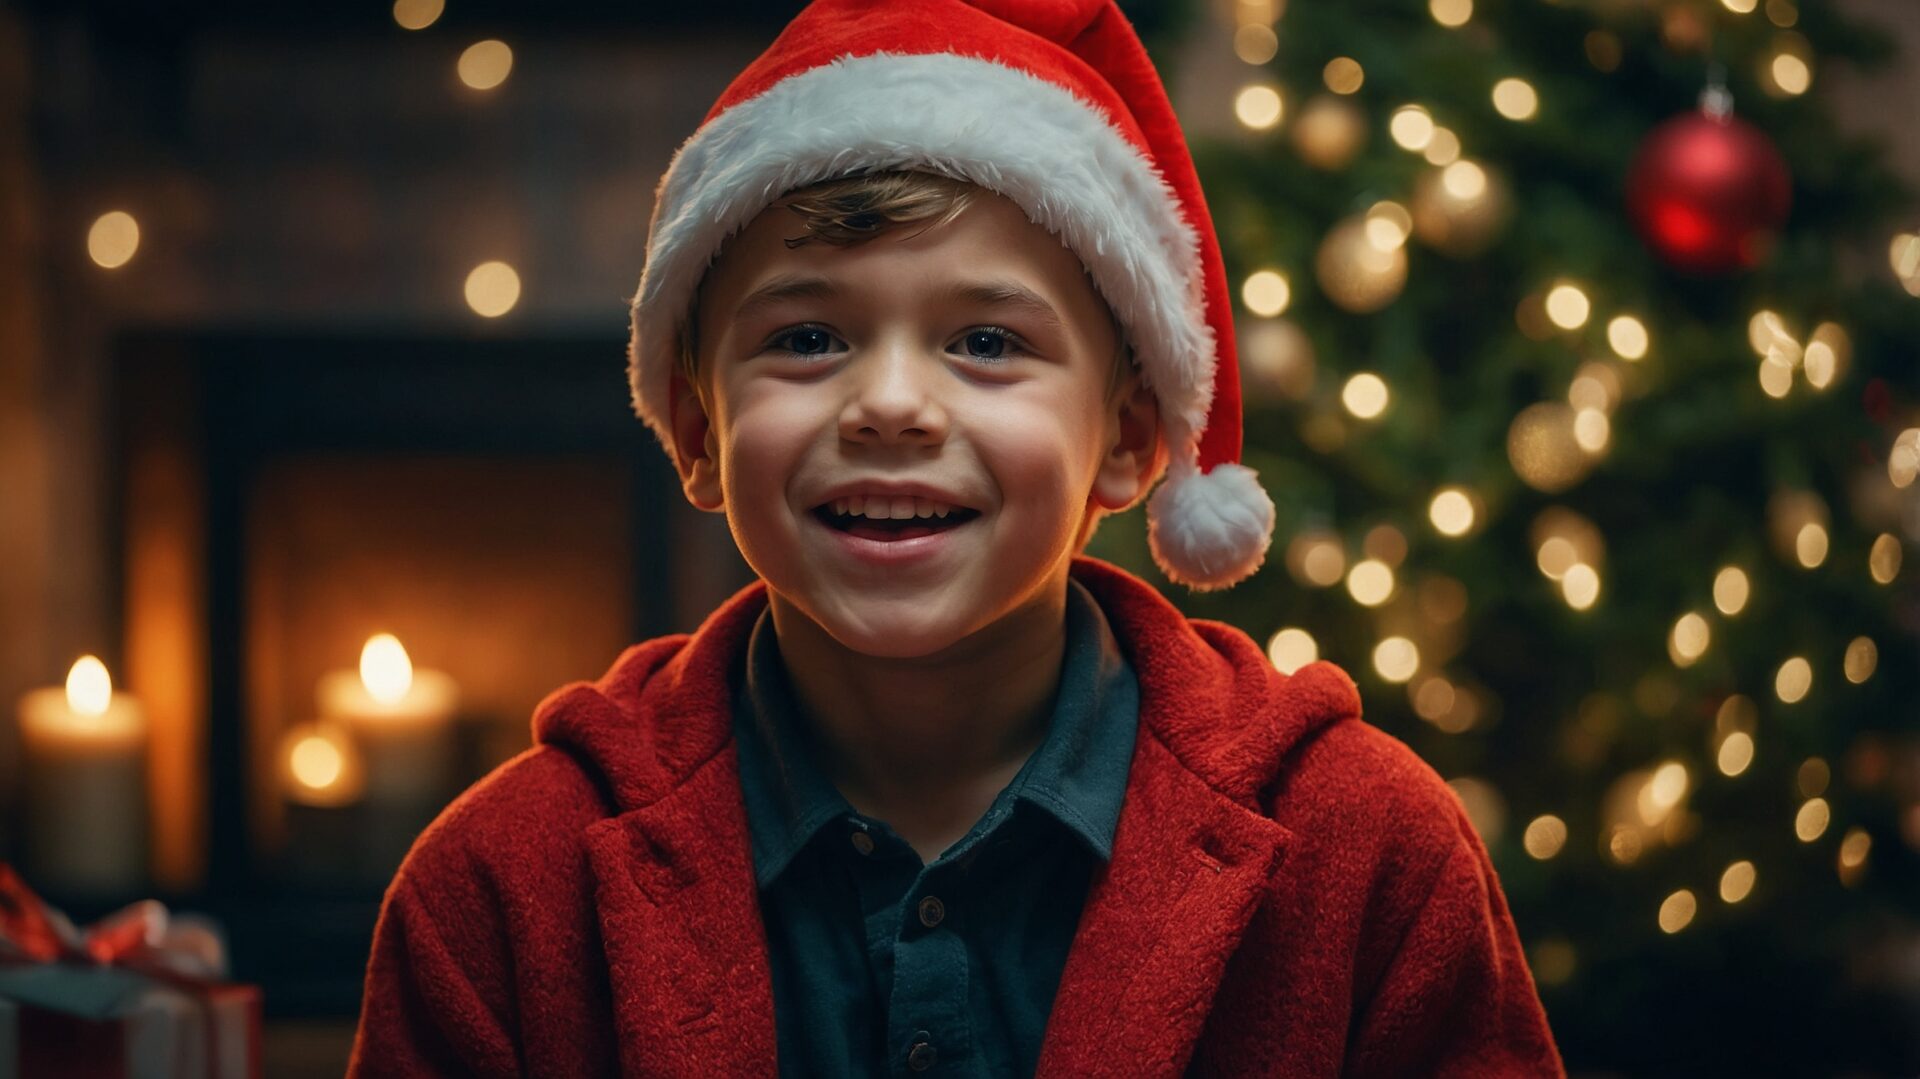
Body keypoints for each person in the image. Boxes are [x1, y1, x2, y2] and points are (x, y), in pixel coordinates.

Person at [348, 1, 1566, 1075]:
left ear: (1132, 440)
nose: (889, 404)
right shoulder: (501, 890)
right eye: (807, 337)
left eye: (987, 342)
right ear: (695, 426)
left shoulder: (1368, 851)